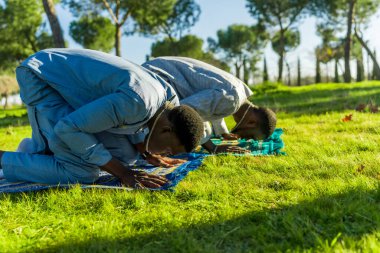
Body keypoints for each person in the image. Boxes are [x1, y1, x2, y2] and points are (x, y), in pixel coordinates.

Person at [0, 49, 204, 189]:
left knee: (124, 154)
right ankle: (13, 157)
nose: (166, 154)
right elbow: (68, 129)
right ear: (167, 130)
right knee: (81, 172)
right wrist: (123, 173)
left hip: (58, 77)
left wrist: (145, 152)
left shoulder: (168, 102)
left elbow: (128, 122)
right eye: (169, 149)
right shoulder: (138, 103)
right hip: (42, 77)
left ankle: (37, 152)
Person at [142, 56, 277, 153]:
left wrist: (222, 133)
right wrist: (213, 147)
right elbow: (185, 111)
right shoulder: (231, 100)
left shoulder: (239, 92)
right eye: (250, 136)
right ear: (251, 123)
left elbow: (212, 107)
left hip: (158, 69)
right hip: (156, 76)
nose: (244, 138)